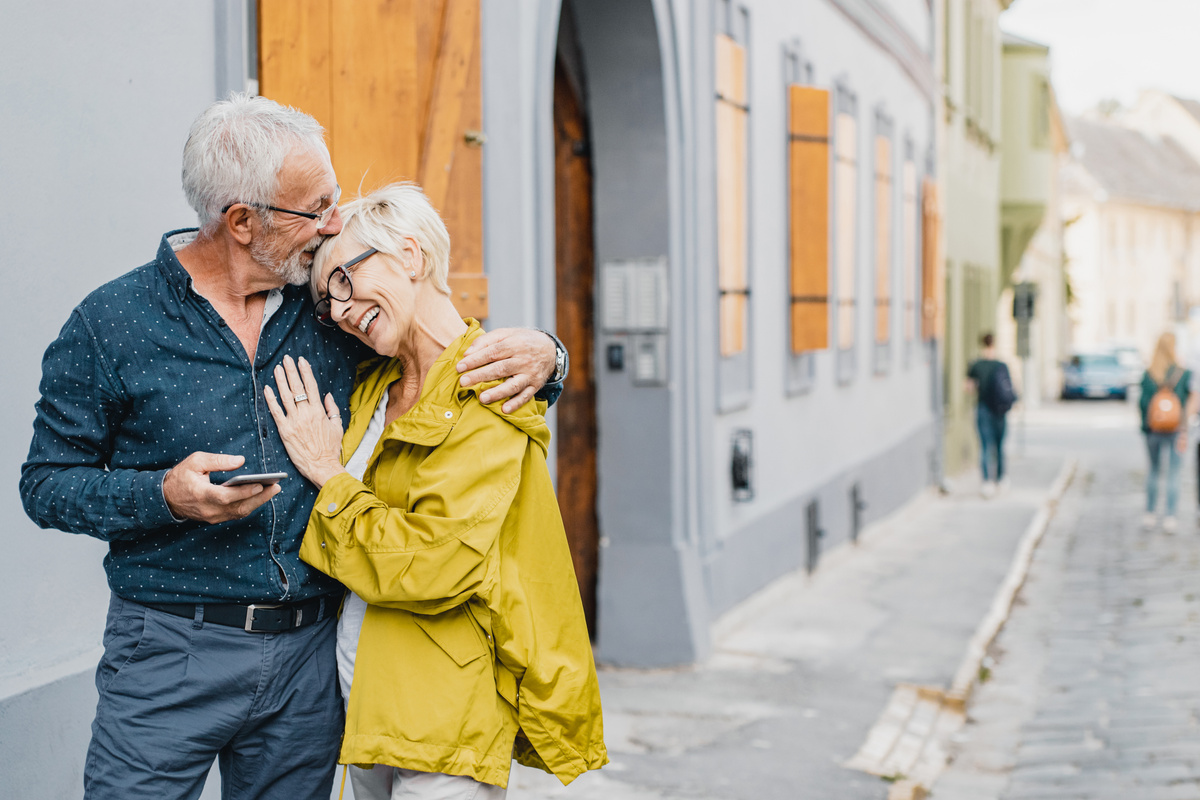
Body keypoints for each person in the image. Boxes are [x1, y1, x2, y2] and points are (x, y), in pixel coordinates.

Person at [19, 94, 566, 800]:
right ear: (242, 222)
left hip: (313, 659)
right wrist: (163, 495)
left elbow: (437, 372)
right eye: (317, 208)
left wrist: (549, 360)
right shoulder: (110, 323)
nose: (335, 223)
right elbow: (46, 484)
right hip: (168, 652)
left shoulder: (333, 313)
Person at [263, 182, 606, 798]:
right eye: (325, 302)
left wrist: (329, 477)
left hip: (442, 712)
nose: (339, 310)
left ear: (411, 256)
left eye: (343, 280)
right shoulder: (372, 386)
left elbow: (433, 562)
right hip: (364, 702)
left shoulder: (489, 393)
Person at [1138, 332, 1196, 533]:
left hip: (1153, 431)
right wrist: (1184, 427)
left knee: (1153, 470)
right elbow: (1189, 402)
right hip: (1176, 429)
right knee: (1173, 473)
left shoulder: (1149, 373)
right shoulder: (1183, 373)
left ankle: (1150, 514)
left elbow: (1143, 403)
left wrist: (1147, 427)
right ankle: (1170, 517)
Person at [967, 332, 1015, 498]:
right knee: (1000, 446)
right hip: (1000, 410)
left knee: (985, 446)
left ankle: (987, 483)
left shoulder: (976, 365)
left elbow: (969, 388)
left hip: (983, 409)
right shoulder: (1001, 365)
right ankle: (1002, 479)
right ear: (994, 344)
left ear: (982, 344)